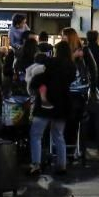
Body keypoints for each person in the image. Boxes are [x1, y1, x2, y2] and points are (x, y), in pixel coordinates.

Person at [28, 41, 76, 176]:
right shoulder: (71, 66)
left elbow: (39, 79)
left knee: (36, 135)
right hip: (62, 104)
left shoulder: (50, 63)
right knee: (58, 136)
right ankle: (62, 165)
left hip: (45, 103)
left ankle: (36, 165)